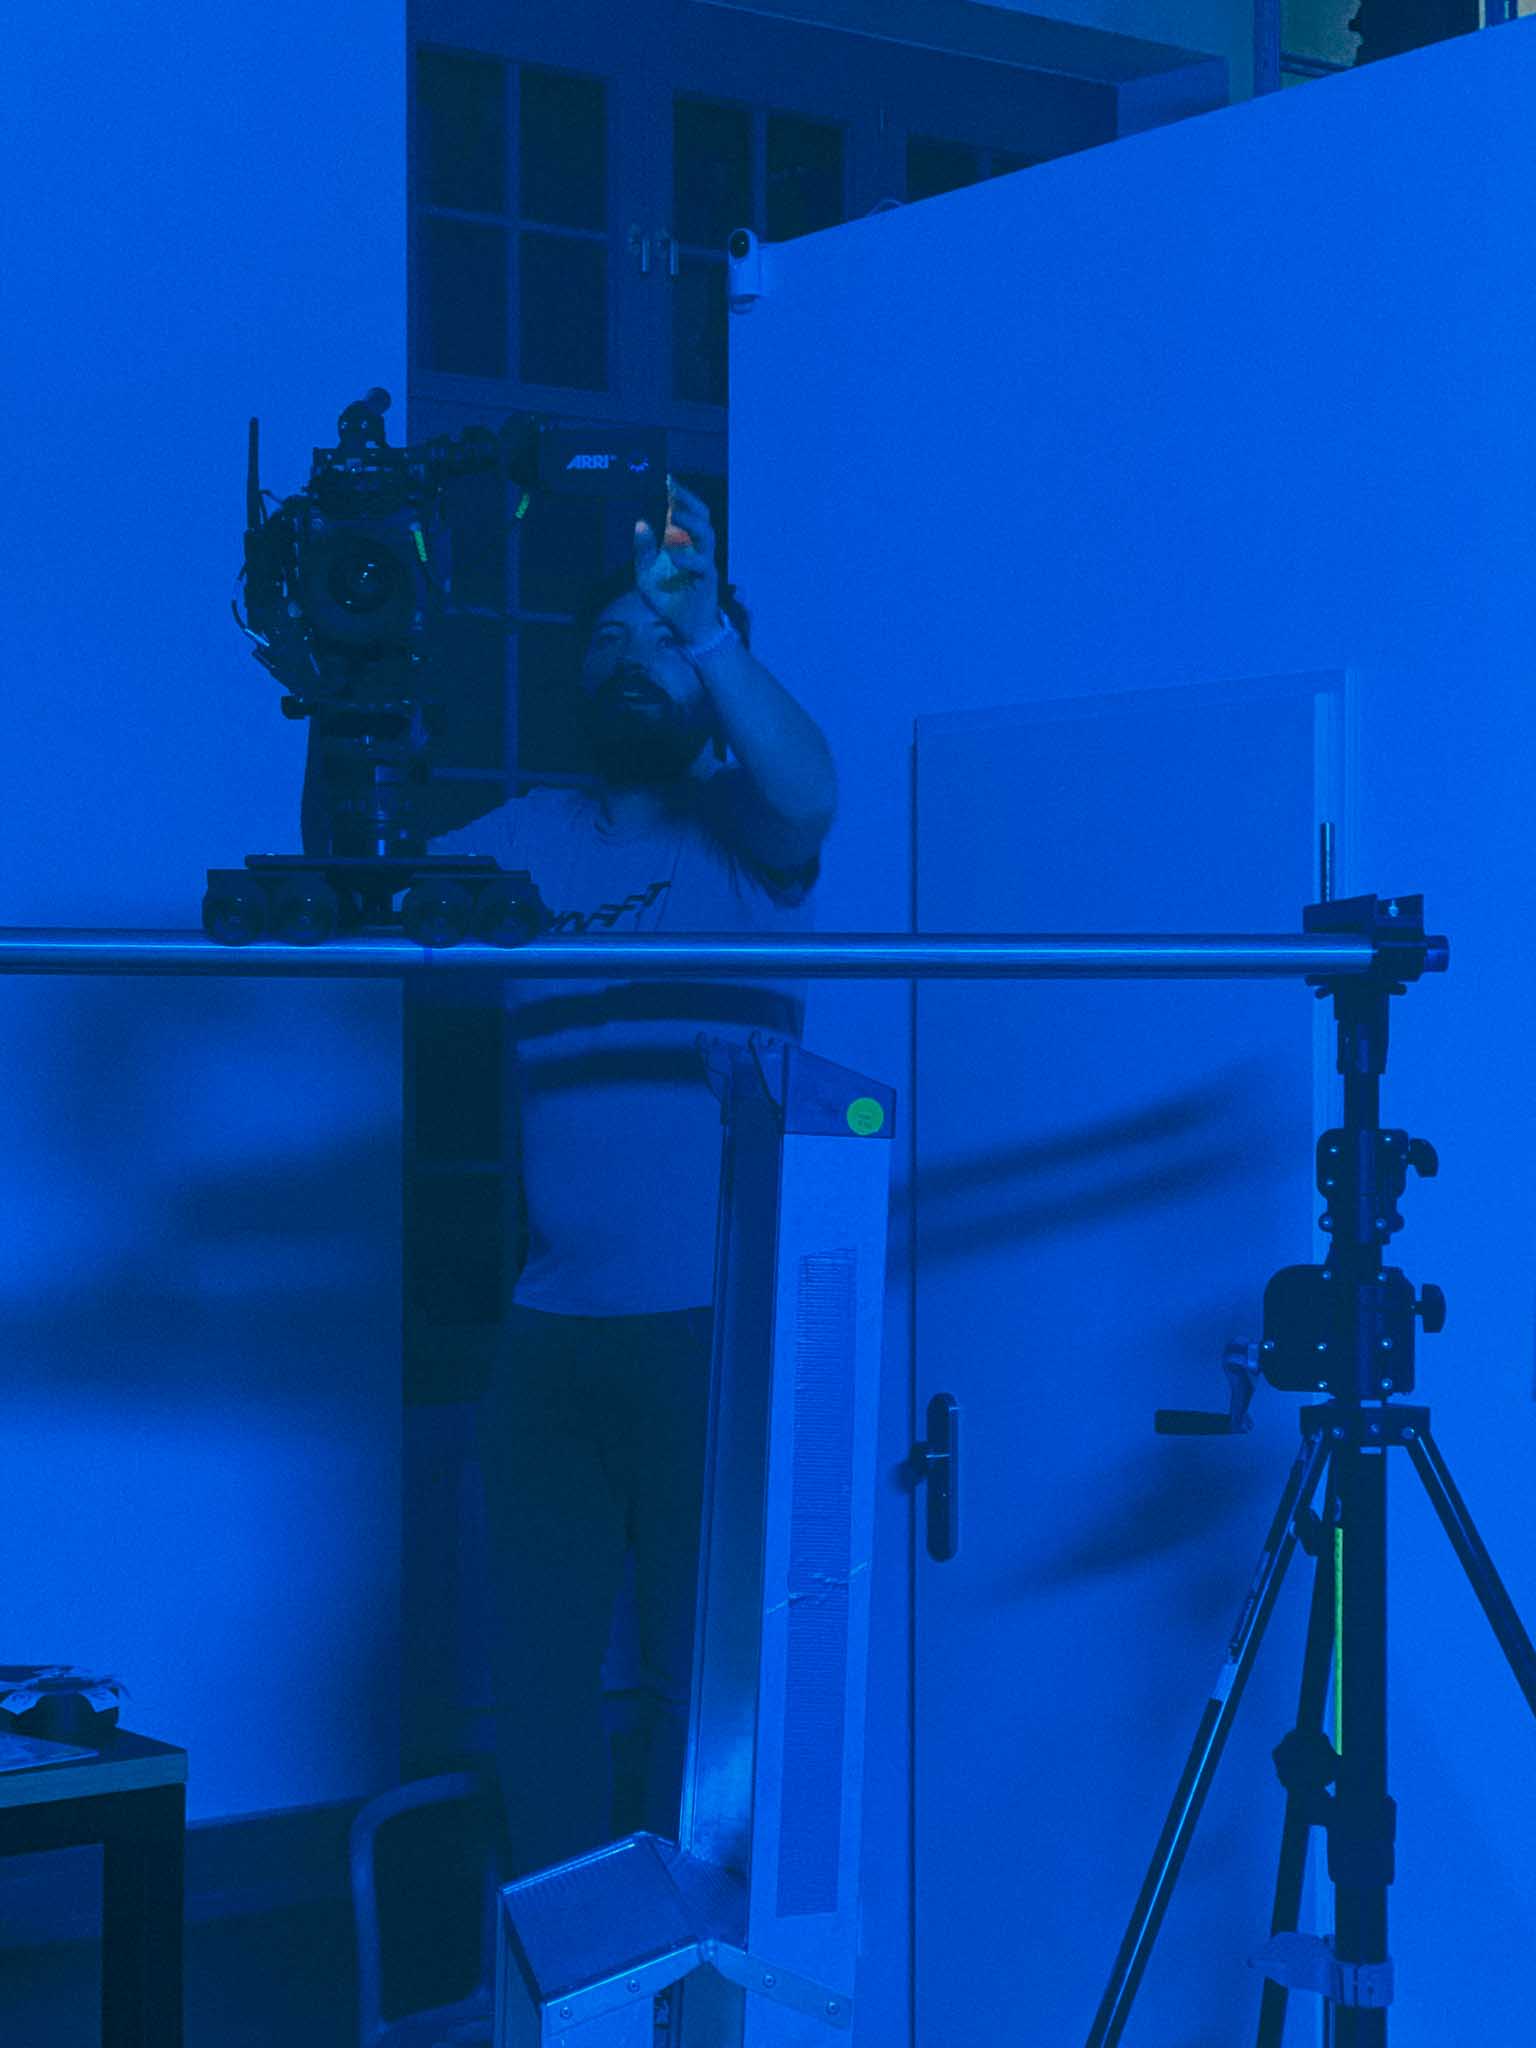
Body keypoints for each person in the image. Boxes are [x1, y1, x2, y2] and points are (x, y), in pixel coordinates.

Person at [433, 481, 838, 1881]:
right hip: (549, 1339)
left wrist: (706, 626)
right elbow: (354, 901)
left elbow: (810, 791)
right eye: (611, 640)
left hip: (706, 1329)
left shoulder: (745, 836)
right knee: (537, 1686)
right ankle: (558, 1990)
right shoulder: (516, 843)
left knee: (701, 1681)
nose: (633, 659)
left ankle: (687, 1989)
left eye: (662, 642)